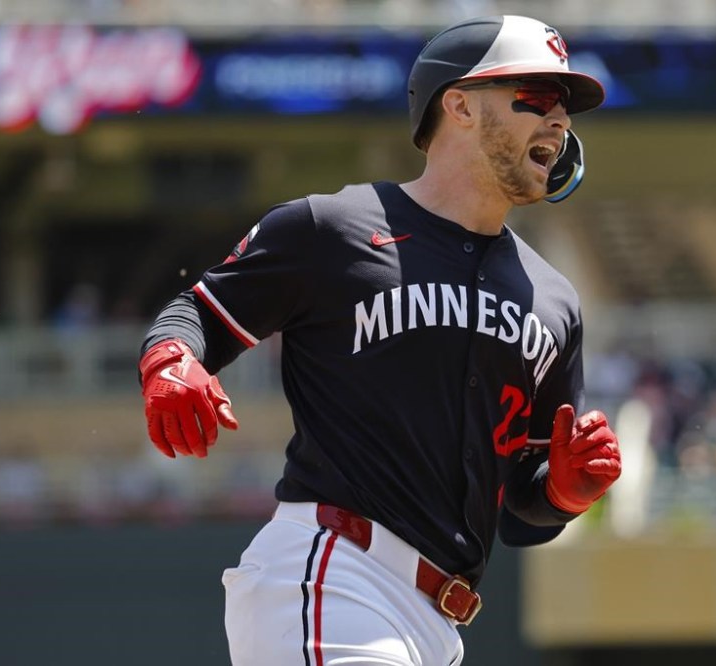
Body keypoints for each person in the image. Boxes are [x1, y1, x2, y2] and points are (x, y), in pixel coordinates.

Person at [137, 14, 622, 666]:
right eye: (535, 96)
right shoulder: (333, 229)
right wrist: (169, 362)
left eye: (566, 107)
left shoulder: (554, 299)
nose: (560, 119)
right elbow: (194, 316)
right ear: (460, 105)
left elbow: (518, 509)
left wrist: (564, 492)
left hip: (436, 624)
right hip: (331, 575)